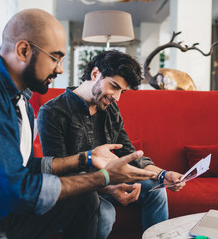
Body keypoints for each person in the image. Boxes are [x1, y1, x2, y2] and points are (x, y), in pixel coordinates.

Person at [0, 9, 157, 239]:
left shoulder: (21, 99)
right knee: (86, 195)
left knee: (84, 200)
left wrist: (86, 158)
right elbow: (18, 190)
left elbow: (23, 166)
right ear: (24, 50)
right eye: (55, 57)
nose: (60, 68)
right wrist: (105, 177)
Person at [37, 50, 186, 238]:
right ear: (95, 74)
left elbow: (127, 152)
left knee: (157, 191)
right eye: (114, 86)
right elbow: (58, 172)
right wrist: (106, 185)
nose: (117, 97)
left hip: (112, 180)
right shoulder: (52, 112)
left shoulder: (110, 107)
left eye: (122, 91)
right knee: (106, 214)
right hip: (80, 191)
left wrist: (163, 174)